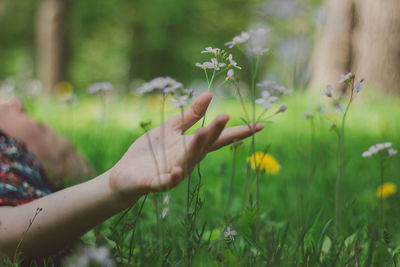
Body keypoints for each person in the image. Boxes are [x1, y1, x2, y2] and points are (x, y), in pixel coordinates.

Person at [0, 92, 263, 259]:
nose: (16, 103)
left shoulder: (12, 158)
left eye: (41, 128)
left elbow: (7, 232)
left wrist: (110, 188)